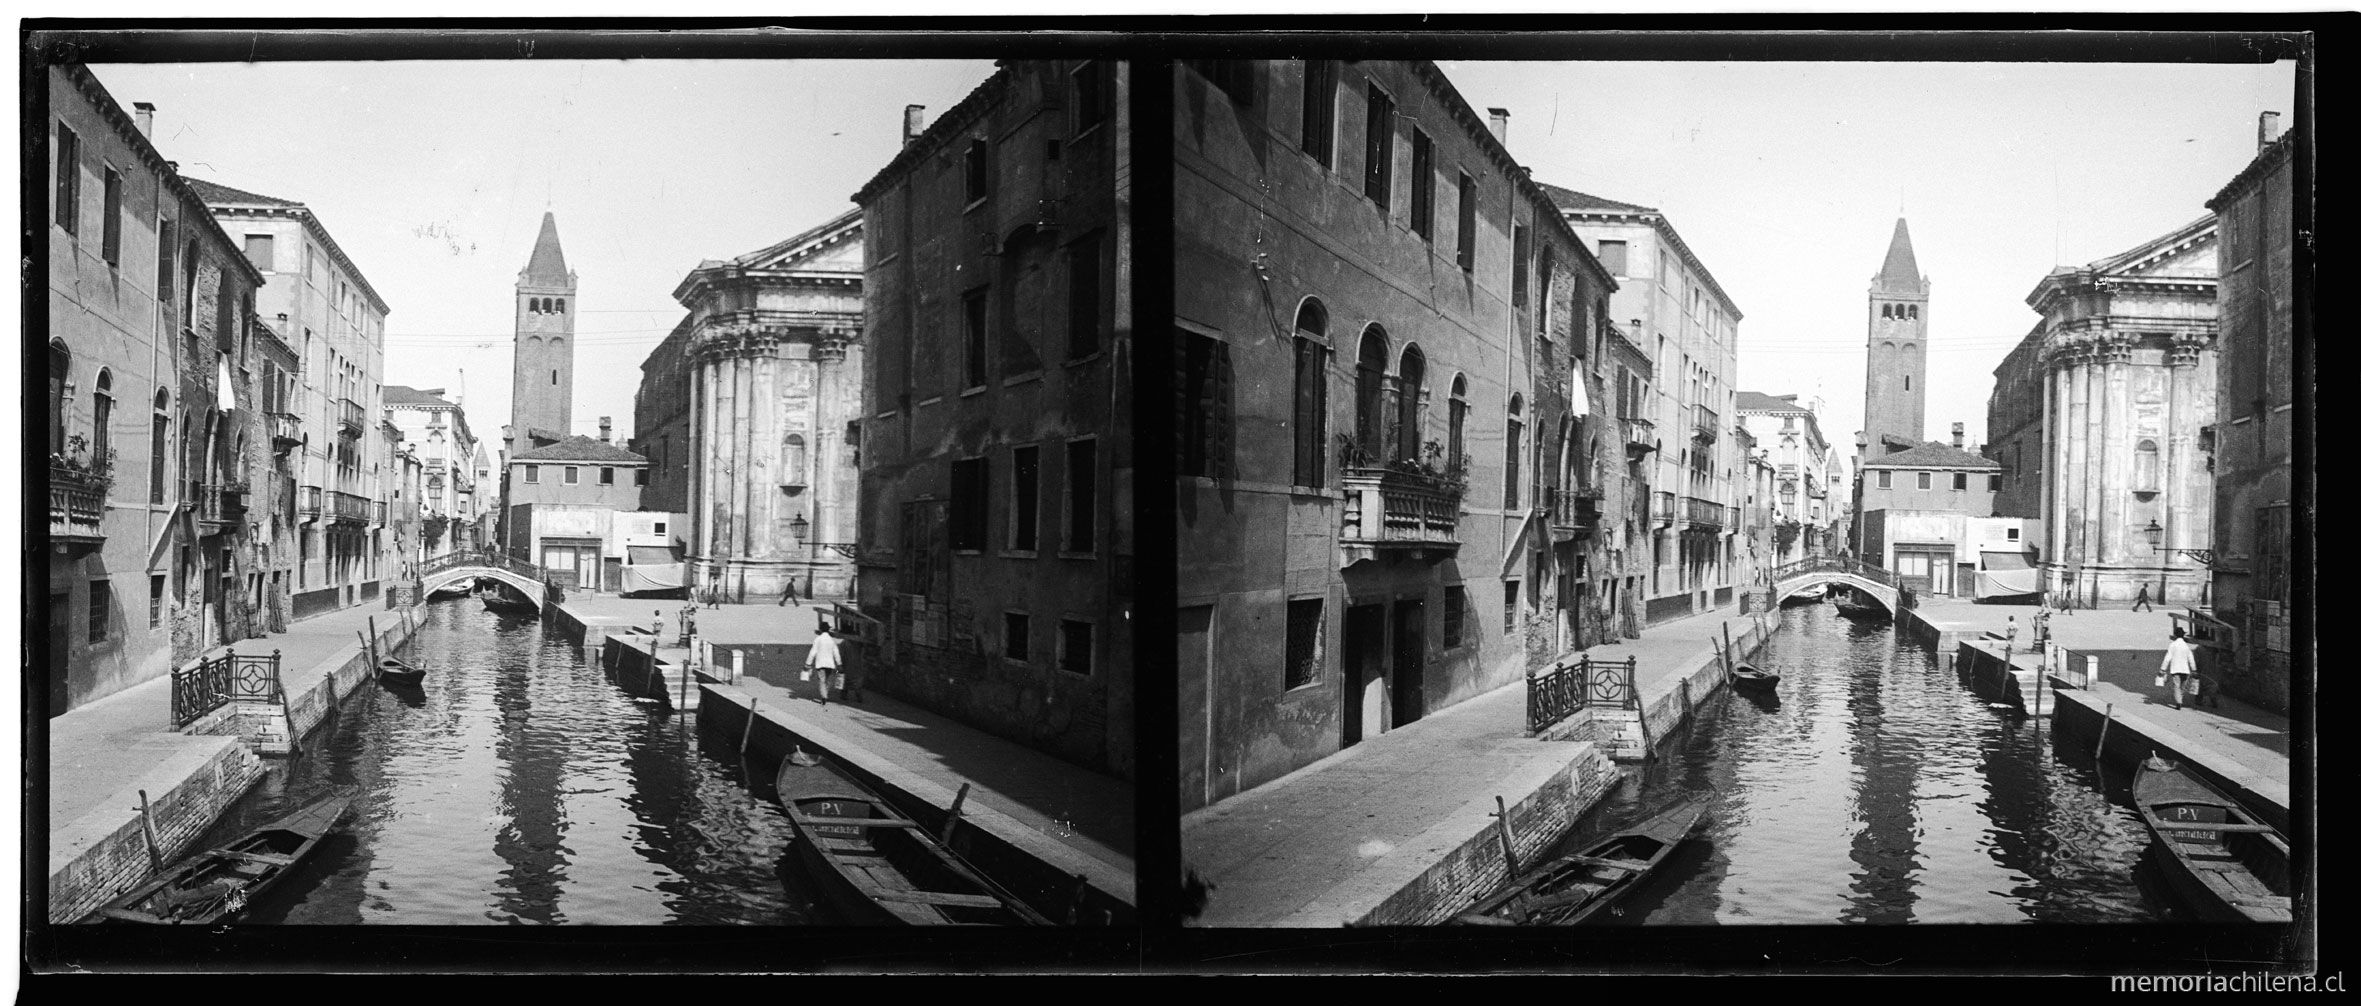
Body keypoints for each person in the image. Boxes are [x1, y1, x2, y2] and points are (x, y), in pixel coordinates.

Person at [805, 621, 844, 707]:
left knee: (821, 681)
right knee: (828, 681)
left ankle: (824, 696)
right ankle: (825, 693)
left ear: (821, 630)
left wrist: (808, 663)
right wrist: (839, 664)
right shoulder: (831, 640)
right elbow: (836, 653)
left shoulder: (818, 639)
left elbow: (812, 652)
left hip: (820, 663)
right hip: (830, 664)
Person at [2161, 627, 2198, 710]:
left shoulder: (2173, 645)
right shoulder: (2186, 646)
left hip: (2175, 669)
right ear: (2183, 635)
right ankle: (2180, 699)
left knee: (2176, 686)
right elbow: (2191, 658)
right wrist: (2194, 669)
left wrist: (2163, 669)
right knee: (2183, 686)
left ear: (2175, 635)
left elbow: (2167, 658)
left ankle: (2179, 702)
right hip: (2185, 669)